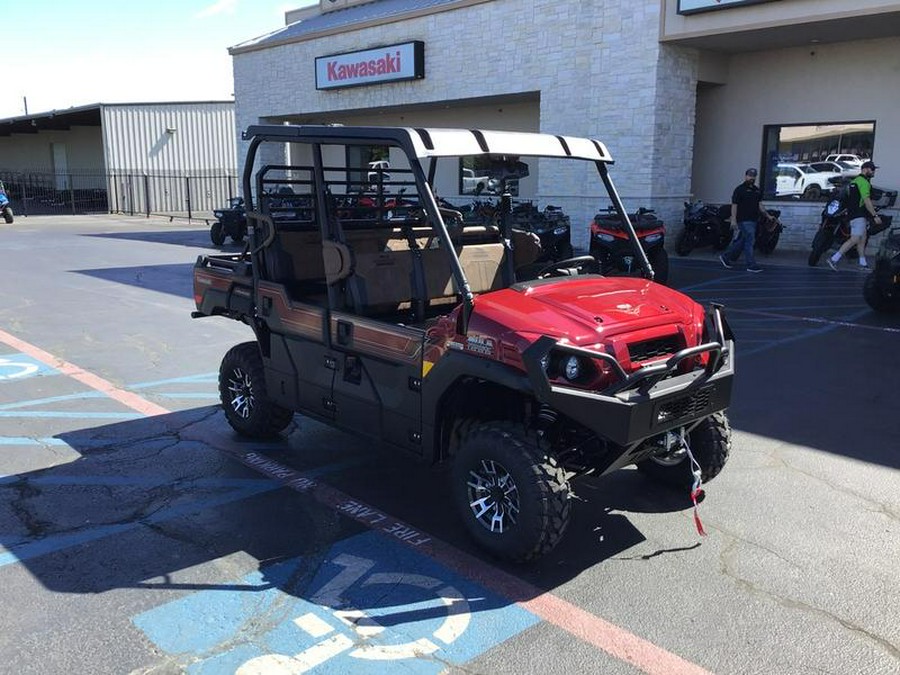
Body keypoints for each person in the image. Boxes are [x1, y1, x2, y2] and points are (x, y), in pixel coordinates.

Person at [828, 160, 882, 270]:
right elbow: (866, 200)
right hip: (859, 215)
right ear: (865, 169)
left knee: (862, 239)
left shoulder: (854, 181)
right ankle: (833, 259)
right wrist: (875, 216)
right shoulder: (864, 183)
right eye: (872, 169)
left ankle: (862, 264)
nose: (874, 172)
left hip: (853, 215)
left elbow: (850, 199)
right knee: (855, 239)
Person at [719, 168, 773, 273]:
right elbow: (734, 205)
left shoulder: (757, 190)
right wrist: (733, 219)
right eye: (749, 175)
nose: (751, 177)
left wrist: (767, 215)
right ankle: (751, 265)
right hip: (743, 220)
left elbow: (759, 205)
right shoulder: (739, 190)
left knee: (743, 240)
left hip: (753, 220)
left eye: (753, 176)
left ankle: (726, 257)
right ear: (745, 176)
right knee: (750, 240)